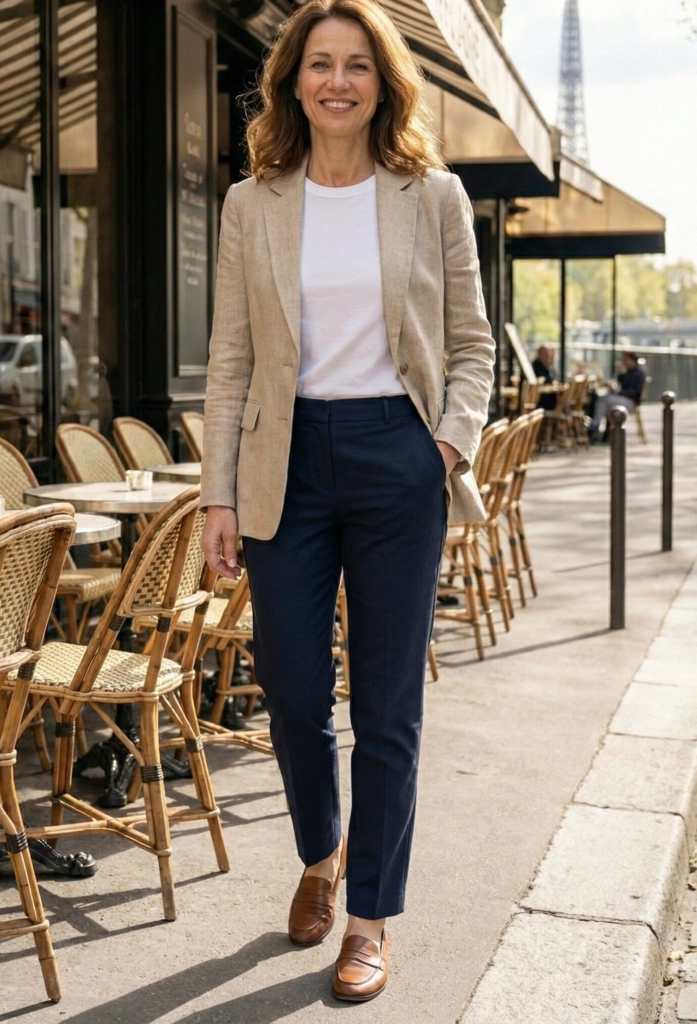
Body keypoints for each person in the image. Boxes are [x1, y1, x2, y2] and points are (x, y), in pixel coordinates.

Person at [199, 0, 495, 1003]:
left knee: (389, 707)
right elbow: (231, 357)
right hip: (285, 462)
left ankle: (368, 916)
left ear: (383, 82)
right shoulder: (254, 202)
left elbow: (473, 344)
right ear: (292, 79)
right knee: (289, 694)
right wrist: (216, 496)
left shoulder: (433, 195)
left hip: (394, 454)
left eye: (355, 65)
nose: (336, 81)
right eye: (319, 64)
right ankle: (320, 851)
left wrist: (445, 442)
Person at [589, 351, 647, 439]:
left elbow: (634, 392)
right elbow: (622, 383)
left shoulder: (638, 373)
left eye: (625, 359)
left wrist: (618, 392)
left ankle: (595, 427)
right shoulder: (629, 371)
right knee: (604, 398)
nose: (623, 361)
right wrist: (620, 373)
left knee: (603, 401)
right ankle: (605, 434)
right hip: (624, 398)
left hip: (630, 401)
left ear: (631, 360)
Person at [531, 345, 557, 411]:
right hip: (539, 401)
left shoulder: (546, 367)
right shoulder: (536, 367)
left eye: (547, 354)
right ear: (539, 355)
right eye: (545, 354)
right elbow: (546, 382)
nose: (547, 357)